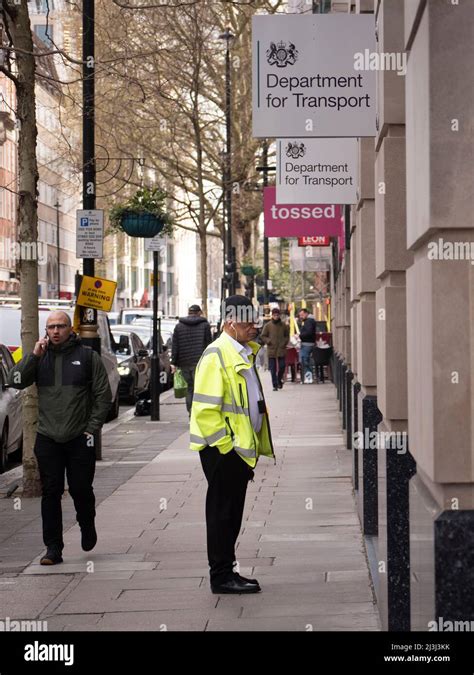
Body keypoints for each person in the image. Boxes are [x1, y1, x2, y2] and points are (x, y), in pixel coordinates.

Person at [8, 311, 112, 565]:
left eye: (60, 326)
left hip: (79, 437)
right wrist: (33, 355)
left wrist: (92, 428)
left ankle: (87, 523)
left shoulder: (88, 357)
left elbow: (103, 395)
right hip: (47, 437)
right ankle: (53, 548)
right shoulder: (40, 358)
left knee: (80, 489)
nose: (55, 331)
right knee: (51, 492)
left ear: (70, 328)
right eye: (51, 327)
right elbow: (16, 380)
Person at [190, 295, 275, 594]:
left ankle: (228, 570)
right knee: (222, 513)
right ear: (229, 322)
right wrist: (227, 449)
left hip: (236, 451)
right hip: (223, 451)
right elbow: (204, 410)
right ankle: (221, 576)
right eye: (247, 321)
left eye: (255, 320)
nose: (254, 326)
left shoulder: (243, 352)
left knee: (231, 513)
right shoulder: (217, 355)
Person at [171, 304, 212, 414]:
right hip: (200, 362)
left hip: (184, 362)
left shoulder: (179, 326)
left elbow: (175, 345)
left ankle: (191, 413)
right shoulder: (205, 325)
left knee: (189, 388)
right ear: (199, 312)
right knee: (200, 388)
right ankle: (199, 413)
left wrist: (173, 362)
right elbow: (209, 344)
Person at [260, 307, 289, 391]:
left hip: (281, 349)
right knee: (272, 369)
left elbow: (287, 335)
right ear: (272, 315)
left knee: (282, 366)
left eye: (277, 315)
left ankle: (279, 379)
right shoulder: (268, 325)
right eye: (274, 315)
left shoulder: (283, 325)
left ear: (279, 315)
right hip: (271, 349)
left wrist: (284, 342)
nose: (276, 316)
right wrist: (269, 341)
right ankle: (275, 385)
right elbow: (263, 336)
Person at [297, 308, 317, 383]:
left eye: (302, 315)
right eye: (300, 315)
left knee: (304, 361)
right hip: (308, 343)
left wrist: (300, 336)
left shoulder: (309, 321)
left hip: (307, 344)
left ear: (306, 313)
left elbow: (308, 333)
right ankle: (308, 377)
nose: (301, 317)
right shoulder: (309, 321)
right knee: (306, 361)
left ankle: (308, 378)